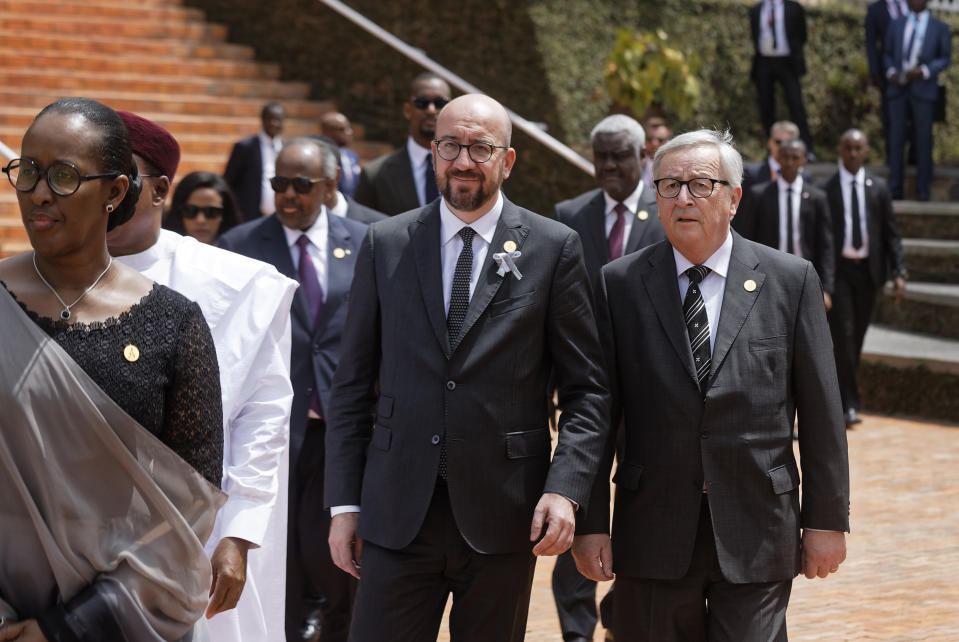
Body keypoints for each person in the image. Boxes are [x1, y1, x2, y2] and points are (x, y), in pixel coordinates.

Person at [324, 93, 610, 642]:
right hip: (396, 512)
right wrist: (344, 504)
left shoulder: (554, 248)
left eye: (480, 147)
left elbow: (588, 391)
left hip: (504, 514)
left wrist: (566, 488)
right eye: (451, 145)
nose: (463, 160)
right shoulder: (385, 244)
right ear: (433, 153)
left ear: (507, 160)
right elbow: (352, 386)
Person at [573, 129, 850, 641]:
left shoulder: (790, 280)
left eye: (700, 184)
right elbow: (596, 413)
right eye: (669, 185)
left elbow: (821, 412)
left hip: (758, 525)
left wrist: (826, 520)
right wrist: (591, 523)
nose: (683, 198)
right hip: (652, 528)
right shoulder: (619, 284)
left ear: (734, 197)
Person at [0, 97, 225, 641]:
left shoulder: (174, 323)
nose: (38, 193)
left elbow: (190, 511)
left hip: (126, 618)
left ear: (116, 192)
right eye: (27, 171)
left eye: (63, 176)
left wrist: (64, 631)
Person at [107, 111, 298, 642]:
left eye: (120, 177)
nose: (103, 192)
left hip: (202, 533)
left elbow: (262, 420)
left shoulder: (236, 284)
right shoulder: (39, 281)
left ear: (159, 188)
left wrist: (238, 534)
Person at [218, 137, 369, 642]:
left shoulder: (370, 240)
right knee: (275, 550)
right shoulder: (238, 246)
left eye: (300, 185)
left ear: (329, 188)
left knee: (338, 551)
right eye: (278, 183)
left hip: (343, 427)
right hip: (272, 431)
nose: (287, 195)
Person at [552, 112, 664, 642]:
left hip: (650, 393)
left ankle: (623, 613)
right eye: (601, 156)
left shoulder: (667, 212)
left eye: (620, 155)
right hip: (587, 392)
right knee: (575, 502)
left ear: (643, 157)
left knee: (641, 510)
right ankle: (576, 629)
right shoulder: (568, 214)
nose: (610, 166)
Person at [823, 129, 907, 427]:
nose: (853, 153)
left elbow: (891, 233)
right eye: (848, 148)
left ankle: (844, 398)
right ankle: (848, 404)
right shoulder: (827, 189)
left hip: (870, 274)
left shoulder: (878, 188)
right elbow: (823, 239)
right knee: (843, 336)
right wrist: (824, 283)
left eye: (858, 148)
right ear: (840, 150)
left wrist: (899, 270)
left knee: (856, 338)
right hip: (840, 273)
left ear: (866, 151)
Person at [735, 138, 835, 310]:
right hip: (768, 275)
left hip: (805, 275)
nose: (789, 162)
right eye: (785, 157)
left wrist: (826, 288)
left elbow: (825, 245)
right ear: (777, 159)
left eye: (795, 158)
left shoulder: (817, 198)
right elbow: (746, 238)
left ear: (804, 160)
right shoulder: (759, 195)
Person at [353, 73, 452, 215]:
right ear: (407, 110)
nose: (431, 110)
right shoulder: (375, 175)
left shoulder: (467, 167)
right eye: (422, 103)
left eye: (440, 103)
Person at [882, 0, 951, 201]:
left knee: (923, 140)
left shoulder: (940, 27)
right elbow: (885, 53)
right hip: (898, 89)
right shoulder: (896, 24)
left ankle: (922, 189)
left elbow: (945, 58)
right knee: (896, 140)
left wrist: (924, 71)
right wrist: (892, 72)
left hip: (924, 90)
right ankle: (895, 188)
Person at [749, 0, 815, 157]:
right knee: (766, 106)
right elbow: (754, 35)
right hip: (764, 61)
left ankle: (805, 149)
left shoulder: (793, 7)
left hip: (788, 62)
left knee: (796, 105)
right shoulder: (756, 10)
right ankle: (772, 150)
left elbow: (802, 35)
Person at [224, 102, 286, 221]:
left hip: (280, 219)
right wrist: (236, 213)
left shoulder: (287, 149)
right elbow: (228, 182)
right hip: (249, 218)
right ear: (262, 120)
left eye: (278, 120)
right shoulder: (245, 147)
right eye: (270, 119)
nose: (274, 123)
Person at [866, 0, 910, 163]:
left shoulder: (913, 4)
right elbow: (871, 42)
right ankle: (892, 158)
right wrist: (875, 72)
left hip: (915, 75)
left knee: (915, 119)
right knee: (890, 118)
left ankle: (913, 157)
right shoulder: (875, 9)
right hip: (888, 74)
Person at [312, 136, 388, 225]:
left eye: (302, 183)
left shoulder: (378, 226)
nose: (291, 193)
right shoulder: (292, 225)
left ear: (333, 178)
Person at [164, 171, 241, 244]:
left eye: (211, 212)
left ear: (224, 214)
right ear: (179, 213)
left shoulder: (241, 252)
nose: (200, 220)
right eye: (190, 211)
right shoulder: (162, 252)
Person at [321, 112, 362, 198]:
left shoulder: (353, 156)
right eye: (342, 129)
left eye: (349, 128)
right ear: (327, 132)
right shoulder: (320, 156)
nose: (349, 132)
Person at [641, 116, 671, 189]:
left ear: (669, 141)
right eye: (650, 139)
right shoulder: (637, 164)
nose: (654, 143)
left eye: (660, 140)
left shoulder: (677, 165)